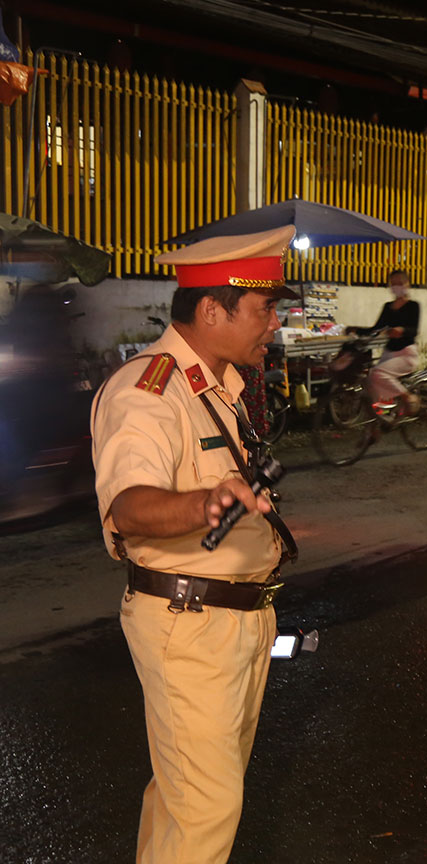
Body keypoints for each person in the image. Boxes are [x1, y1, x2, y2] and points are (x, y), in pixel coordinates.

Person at [90, 225, 301, 863]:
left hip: (234, 621)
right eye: (265, 309)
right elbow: (128, 507)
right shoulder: (148, 390)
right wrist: (202, 503)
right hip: (190, 626)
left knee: (186, 799)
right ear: (212, 310)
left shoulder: (219, 386)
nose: (275, 324)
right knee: (206, 809)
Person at [366, 269, 421, 411]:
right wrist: (354, 330)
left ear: (407, 284)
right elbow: (376, 329)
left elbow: (414, 331)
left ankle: (407, 397)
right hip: (389, 352)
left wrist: (402, 330)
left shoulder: (413, 306)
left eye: (400, 283)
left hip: (406, 354)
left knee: (377, 373)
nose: (397, 286)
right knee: (370, 379)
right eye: (393, 283)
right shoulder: (387, 307)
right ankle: (381, 415)